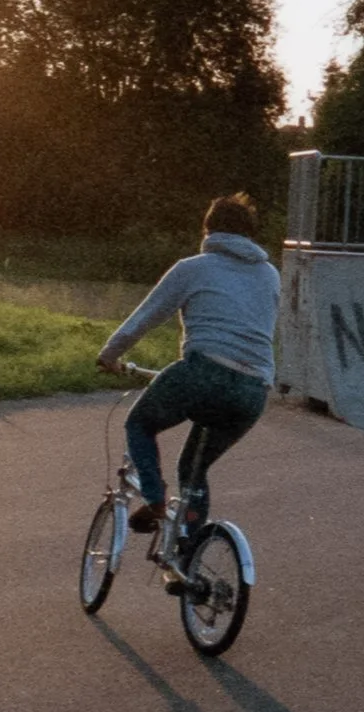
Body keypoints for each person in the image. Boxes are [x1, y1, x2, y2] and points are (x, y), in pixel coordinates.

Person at [97, 192, 280, 548]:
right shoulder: (270, 274)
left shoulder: (193, 268)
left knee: (140, 423)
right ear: (249, 234)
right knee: (194, 470)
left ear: (208, 231)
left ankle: (154, 500)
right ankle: (190, 554)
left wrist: (109, 355)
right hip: (254, 390)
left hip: (202, 373)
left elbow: (144, 319)